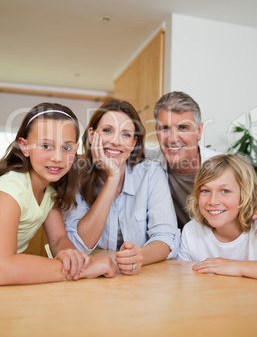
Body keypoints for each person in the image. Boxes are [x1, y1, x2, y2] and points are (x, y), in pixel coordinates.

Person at [0, 102, 116, 285]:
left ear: (76, 149)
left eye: (66, 148)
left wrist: (73, 258)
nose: (57, 157)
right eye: (46, 146)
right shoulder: (10, 189)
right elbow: (3, 268)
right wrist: (86, 268)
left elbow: (59, 240)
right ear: (24, 146)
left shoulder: (50, 190)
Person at [64, 99, 179, 275]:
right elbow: (77, 245)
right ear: (92, 135)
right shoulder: (75, 176)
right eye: (108, 130)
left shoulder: (151, 174)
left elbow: (166, 236)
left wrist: (139, 256)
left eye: (125, 134)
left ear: (134, 143)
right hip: (91, 275)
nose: (116, 142)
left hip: (140, 277)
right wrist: (113, 177)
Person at [151, 91, 257, 238]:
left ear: (199, 131)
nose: (173, 138)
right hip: (172, 253)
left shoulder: (226, 168)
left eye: (183, 128)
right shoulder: (146, 167)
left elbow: (254, 211)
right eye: (165, 128)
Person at [177, 154, 257, 281]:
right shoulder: (192, 231)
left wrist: (236, 266)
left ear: (245, 194)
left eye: (225, 191)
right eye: (205, 191)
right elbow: (181, 276)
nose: (213, 201)